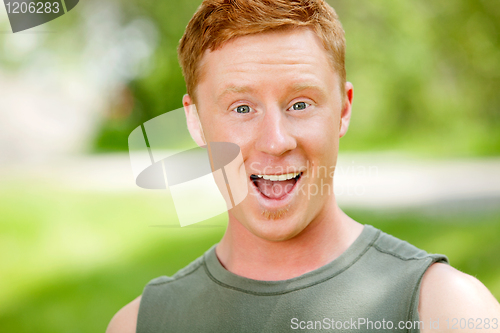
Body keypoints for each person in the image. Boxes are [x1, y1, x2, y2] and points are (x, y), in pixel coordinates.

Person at [107, 0, 500, 332]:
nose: (276, 141)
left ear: (343, 110)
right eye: (242, 108)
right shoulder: (140, 323)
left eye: (300, 104)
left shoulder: (447, 310)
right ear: (195, 122)